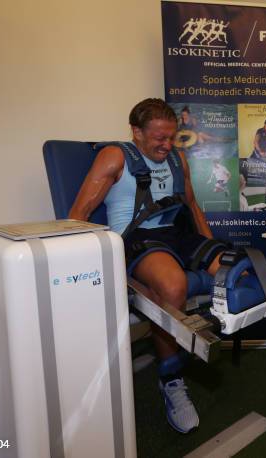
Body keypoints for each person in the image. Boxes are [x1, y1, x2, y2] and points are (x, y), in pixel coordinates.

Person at [69, 98, 230, 434]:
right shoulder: (114, 156)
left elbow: (192, 204)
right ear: (136, 132)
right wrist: (92, 270)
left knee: (240, 267)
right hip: (134, 238)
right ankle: (172, 380)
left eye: (171, 137)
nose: (166, 145)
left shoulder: (177, 157)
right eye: (158, 138)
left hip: (174, 234)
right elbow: (78, 216)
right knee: (173, 287)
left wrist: (213, 246)